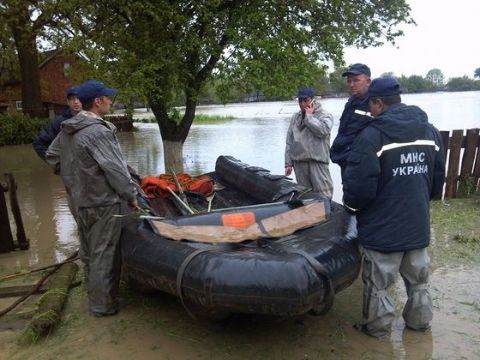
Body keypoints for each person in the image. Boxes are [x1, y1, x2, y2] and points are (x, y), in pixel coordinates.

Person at [342, 77, 446, 338]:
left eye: (371, 104)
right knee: (419, 280)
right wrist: (423, 202)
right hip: (417, 225)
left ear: (378, 102)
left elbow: (359, 188)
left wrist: (351, 208)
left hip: (382, 231)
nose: (370, 110)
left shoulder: (371, 136)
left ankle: (377, 331)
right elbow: (437, 179)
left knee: (379, 285)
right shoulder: (430, 131)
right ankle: (419, 324)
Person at [46, 80, 138, 317]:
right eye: (108, 98)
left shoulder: (69, 129)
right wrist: (131, 195)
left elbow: (53, 157)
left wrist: (74, 179)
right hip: (102, 203)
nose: (110, 101)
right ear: (97, 102)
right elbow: (116, 171)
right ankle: (102, 306)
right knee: (104, 254)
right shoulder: (98, 131)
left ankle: (93, 293)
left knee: (88, 251)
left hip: (79, 202)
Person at [284, 87, 334, 198]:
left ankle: (328, 214)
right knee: (305, 196)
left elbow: (323, 131)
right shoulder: (295, 117)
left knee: (324, 196)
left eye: (305, 100)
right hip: (299, 163)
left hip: (318, 163)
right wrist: (288, 163)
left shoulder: (325, 115)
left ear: (313, 100)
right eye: (300, 101)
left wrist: (309, 117)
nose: (302, 104)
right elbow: (289, 141)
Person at [330, 63, 372, 179]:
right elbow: (344, 133)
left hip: (361, 168)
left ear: (368, 81)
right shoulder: (351, 104)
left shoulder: (374, 105)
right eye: (349, 81)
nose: (351, 85)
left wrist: (351, 158)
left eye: (356, 80)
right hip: (346, 165)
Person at [33, 85, 82, 160]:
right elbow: (39, 142)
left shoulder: (92, 120)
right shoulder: (59, 122)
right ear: (68, 102)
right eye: (72, 99)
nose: (76, 102)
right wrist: (55, 164)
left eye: (79, 98)